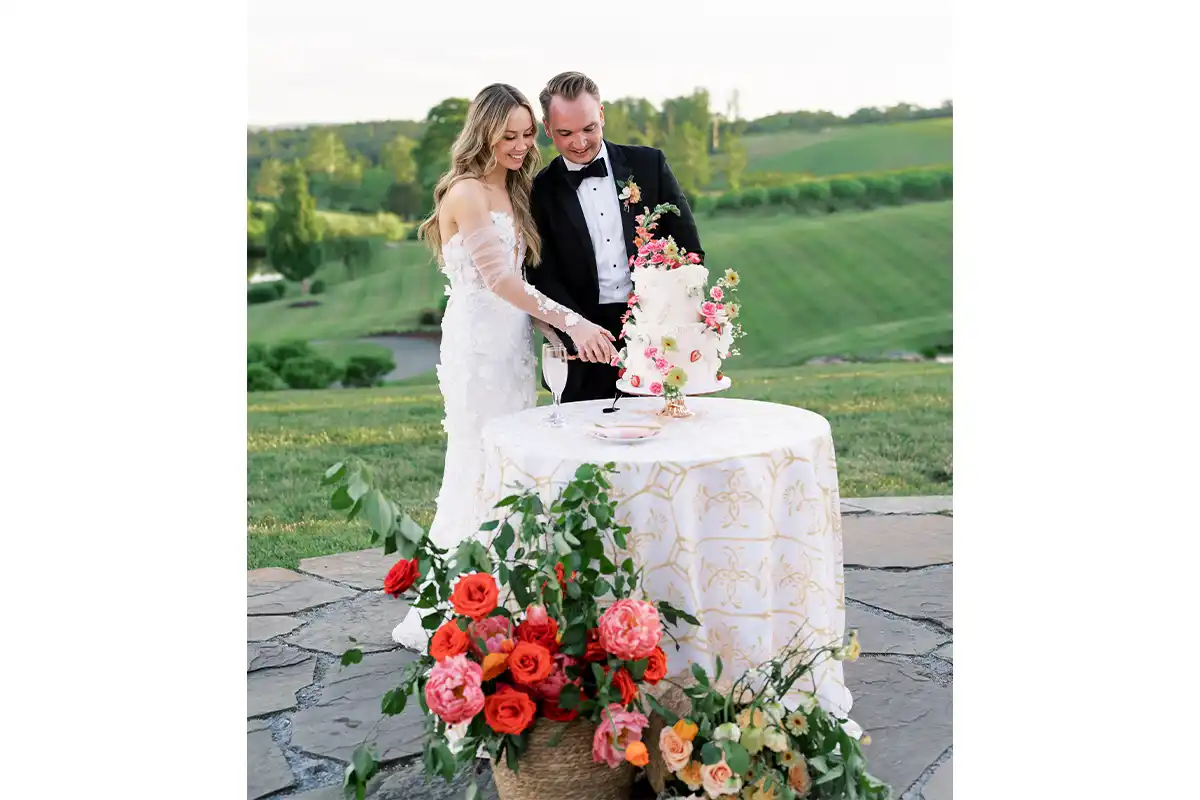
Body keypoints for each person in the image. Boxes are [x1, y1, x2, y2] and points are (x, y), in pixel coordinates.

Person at [391, 83, 617, 650]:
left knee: (511, 467)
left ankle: (504, 600)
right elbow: (498, 282)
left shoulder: (510, 188)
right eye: (508, 136)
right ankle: (458, 607)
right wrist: (574, 323)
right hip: (477, 352)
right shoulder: (467, 192)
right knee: (479, 463)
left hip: (512, 346)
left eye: (525, 135)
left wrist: (545, 330)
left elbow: (519, 290)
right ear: (483, 131)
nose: (520, 146)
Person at [528, 71, 705, 403]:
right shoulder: (538, 191)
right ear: (547, 129)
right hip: (582, 347)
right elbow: (540, 274)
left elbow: (688, 250)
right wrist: (574, 330)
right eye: (565, 133)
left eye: (589, 129)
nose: (580, 143)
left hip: (655, 334)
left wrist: (668, 317)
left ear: (602, 115)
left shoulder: (649, 165)